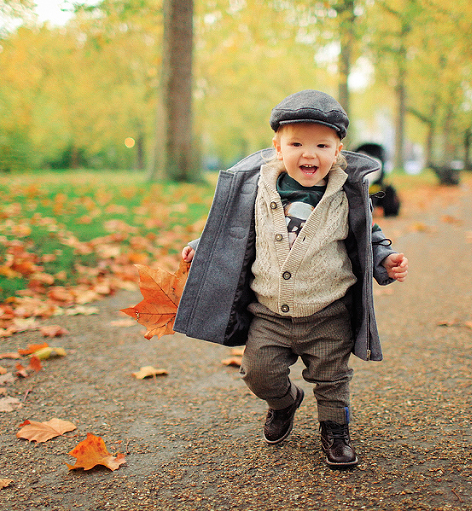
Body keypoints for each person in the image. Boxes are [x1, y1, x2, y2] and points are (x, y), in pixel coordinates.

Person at [174, 89, 408, 468]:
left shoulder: (346, 195)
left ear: (338, 151)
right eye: (296, 142)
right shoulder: (258, 189)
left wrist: (385, 259)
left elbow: (370, 236)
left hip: (327, 311)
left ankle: (335, 430)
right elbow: (231, 228)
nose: (308, 153)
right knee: (258, 373)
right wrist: (202, 246)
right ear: (278, 148)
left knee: (333, 380)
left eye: (321, 144)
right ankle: (285, 401)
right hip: (269, 312)